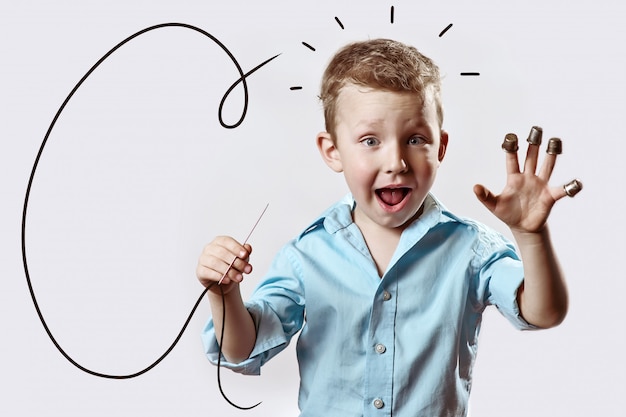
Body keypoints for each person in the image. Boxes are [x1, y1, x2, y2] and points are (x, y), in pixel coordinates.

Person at [196, 38, 580, 416]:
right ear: (333, 151)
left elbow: (543, 312)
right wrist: (225, 294)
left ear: (440, 147)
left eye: (415, 139)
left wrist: (531, 236)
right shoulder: (306, 254)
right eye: (370, 140)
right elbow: (241, 349)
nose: (396, 161)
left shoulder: (470, 247)